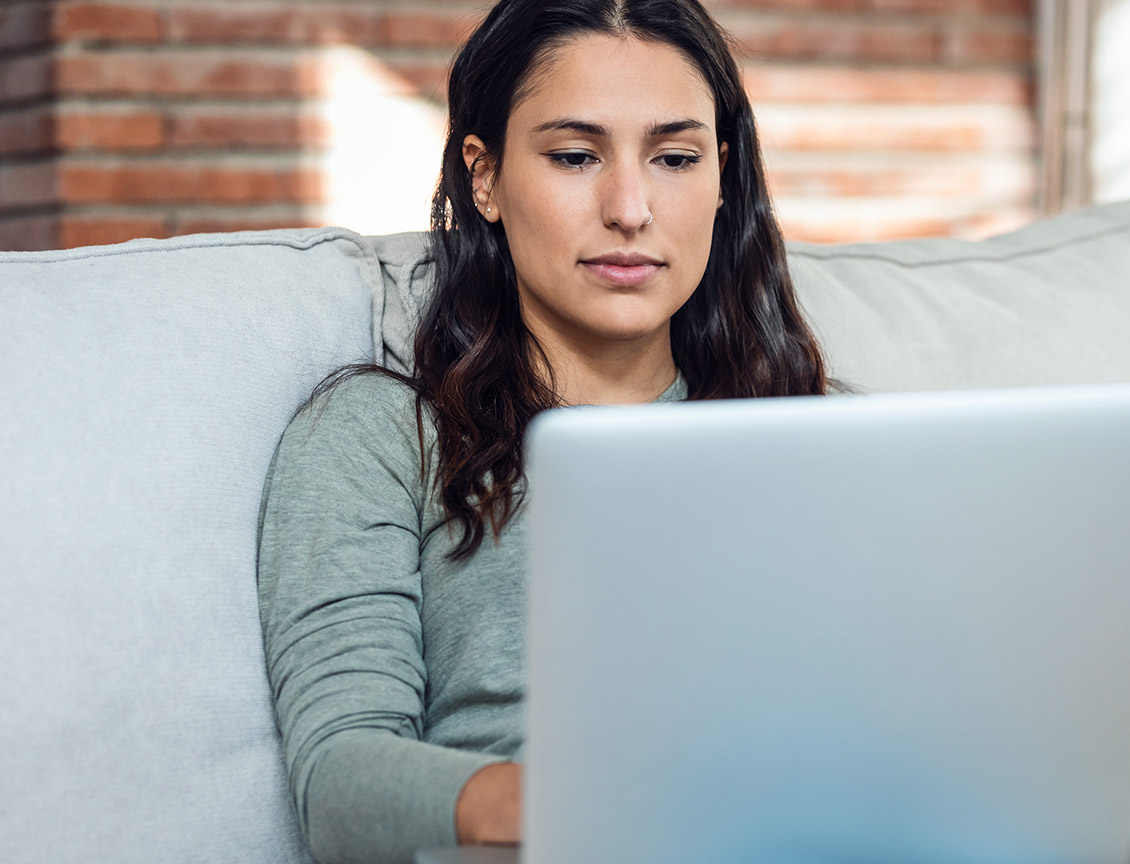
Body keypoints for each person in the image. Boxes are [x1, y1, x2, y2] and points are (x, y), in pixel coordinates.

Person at [254, 1, 831, 861]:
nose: (630, 208)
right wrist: (583, 801)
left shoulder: (817, 440)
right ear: (483, 177)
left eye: (675, 157)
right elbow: (340, 785)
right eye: (574, 156)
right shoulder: (381, 436)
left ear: (722, 178)